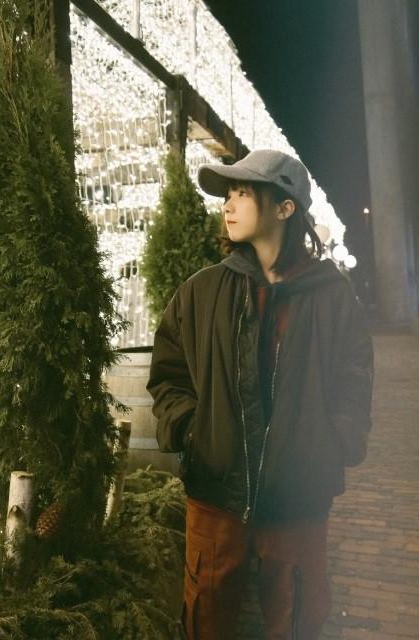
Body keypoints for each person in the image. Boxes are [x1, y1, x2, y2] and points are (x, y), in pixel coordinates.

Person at [146, 149, 374, 640]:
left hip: (298, 496)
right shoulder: (201, 291)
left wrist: (332, 443)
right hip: (215, 493)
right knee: (206, 619)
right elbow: (168, 372)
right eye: (227, 194)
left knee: (296, 620)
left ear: (285, 207)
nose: (228, 205)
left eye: (242, 193)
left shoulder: (331, 295)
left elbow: (354, 379)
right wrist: (192, 431)